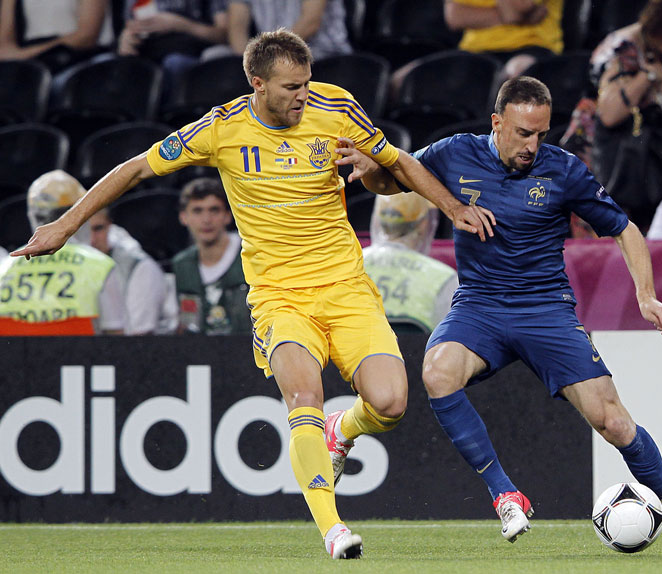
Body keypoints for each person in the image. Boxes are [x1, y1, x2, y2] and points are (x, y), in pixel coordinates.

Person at [11, 29, 493, 559]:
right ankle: (334, 528)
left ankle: (341, 430)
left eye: (307, 83)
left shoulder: (336, 107)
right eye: (291, 87)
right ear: (257, 84)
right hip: (278, 295)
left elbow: (398, 161)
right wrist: (64, 225)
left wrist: (452, 209)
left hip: (346, 288)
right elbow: (136, 168)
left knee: (391, 403)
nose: (303, 95)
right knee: (303, 397)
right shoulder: (221, 128)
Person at [352, 76, 662, 554]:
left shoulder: (564, 170)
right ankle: (505, 493)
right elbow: (392, 180)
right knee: (437, 372)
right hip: (478, 304)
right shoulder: (455, 152)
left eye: (541, 134)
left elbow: (625, 229)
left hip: (546, 310)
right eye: (523, 133)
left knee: (613, 423)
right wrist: (369, 167)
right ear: (497, 122)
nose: (532, 145)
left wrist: (646, 295)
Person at [589, 0, 662, 231]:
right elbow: (609, 114)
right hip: (615, 151)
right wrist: (647, 78)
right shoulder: (626, 47)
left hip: (655, 155)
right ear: (659, 25)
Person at [1, 170, 124, 335]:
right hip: (82, 359)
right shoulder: (100, 266)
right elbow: (118, 336)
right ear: (83, 213)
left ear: (32, 216)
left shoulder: (5, 267)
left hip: (14, 359)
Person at [362, 192, 458, 333]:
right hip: (417, 355)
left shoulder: (348, 266)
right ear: (424, 224)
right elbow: (450, 337)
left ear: (377, 219)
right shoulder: (445, 279)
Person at [172, 176, 251, 335]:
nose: (206, 220)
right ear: (183, 217)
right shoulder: (182, 265)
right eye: (197, 211)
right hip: (200, 354)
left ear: (228, 215)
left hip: (251, 351)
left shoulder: (250, 253)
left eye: (214, 210)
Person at [89, 207, 177, 334]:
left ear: (110, 226)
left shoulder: (139, 267)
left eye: (98, 229)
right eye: (83, 231)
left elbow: (137, 338)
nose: (92, 239)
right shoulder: (68, 265)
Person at [443, 0, 563, 79]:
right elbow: (454, 17)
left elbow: (517, 9)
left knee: (517, 74)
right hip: (475, 50)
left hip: (531, 45)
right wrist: (510, 17)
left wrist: (513, 16)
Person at [0, 0, 115, 73]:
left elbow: (86, 36)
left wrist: (24, 55)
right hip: (31, 63)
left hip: (79, 59)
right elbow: (4, 46)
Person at [227, 0, 352, 61]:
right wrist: (246, 62)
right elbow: (237, 27)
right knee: (215, 57)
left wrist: (270, 55)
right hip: (269, 57)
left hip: (323, 55)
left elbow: (310, 23)